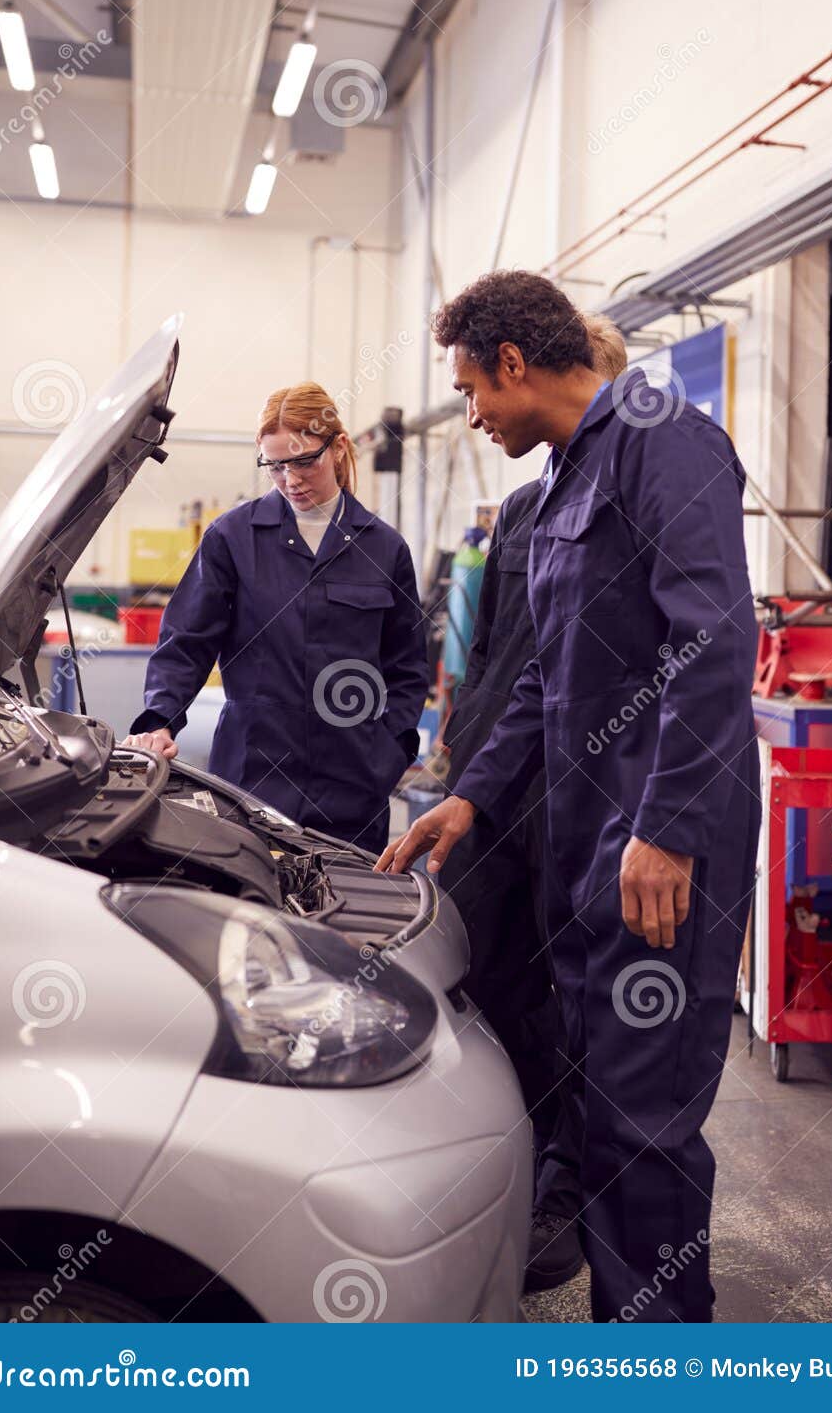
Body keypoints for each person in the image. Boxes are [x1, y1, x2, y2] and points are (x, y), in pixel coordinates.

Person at [377, 271, 761, 1323]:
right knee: (596, 1107)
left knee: (643, 1122)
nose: (471, 414)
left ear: (513, 362)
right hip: (591, 839)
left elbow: (714, 646)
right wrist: (474, 800)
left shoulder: (660, 441)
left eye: (470, 391)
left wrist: (669, 830)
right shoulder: (559, 482)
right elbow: (544, 670)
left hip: (658, 844)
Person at [439, 312, 629, 1295]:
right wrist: (456, 742)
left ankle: (570, 1174)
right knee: (476, 967)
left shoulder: (641, 508)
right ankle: (524, 1142)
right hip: (489, 785)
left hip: (578, 796)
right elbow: (497, 652)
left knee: (578, 991)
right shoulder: (517, 514)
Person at [126, 383, 427, 855]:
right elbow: (186, 641)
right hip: (250, 780)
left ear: (339, 447)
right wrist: (160, 720)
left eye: (304, 460)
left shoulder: (384, 549)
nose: (291, 480)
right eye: (275, 466)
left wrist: (389, 753)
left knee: (347, 914)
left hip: (352, 788)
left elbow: (407, 668)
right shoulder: (232, 537)